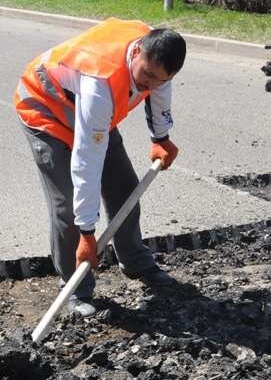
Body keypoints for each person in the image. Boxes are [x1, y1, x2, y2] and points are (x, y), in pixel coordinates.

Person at [15, 19, 186, 317]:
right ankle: (75, 286)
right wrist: (86, 232)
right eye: (146, 74)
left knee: (124, 188)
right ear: (136, 54)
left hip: (89, 111)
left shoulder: (156, 57)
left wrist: (161, 137)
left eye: (159, 78)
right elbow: (87, 160)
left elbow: (159, 91)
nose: (149, 83)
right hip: (45, 108)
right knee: (66, 206)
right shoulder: (100, 83)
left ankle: (135, 260)